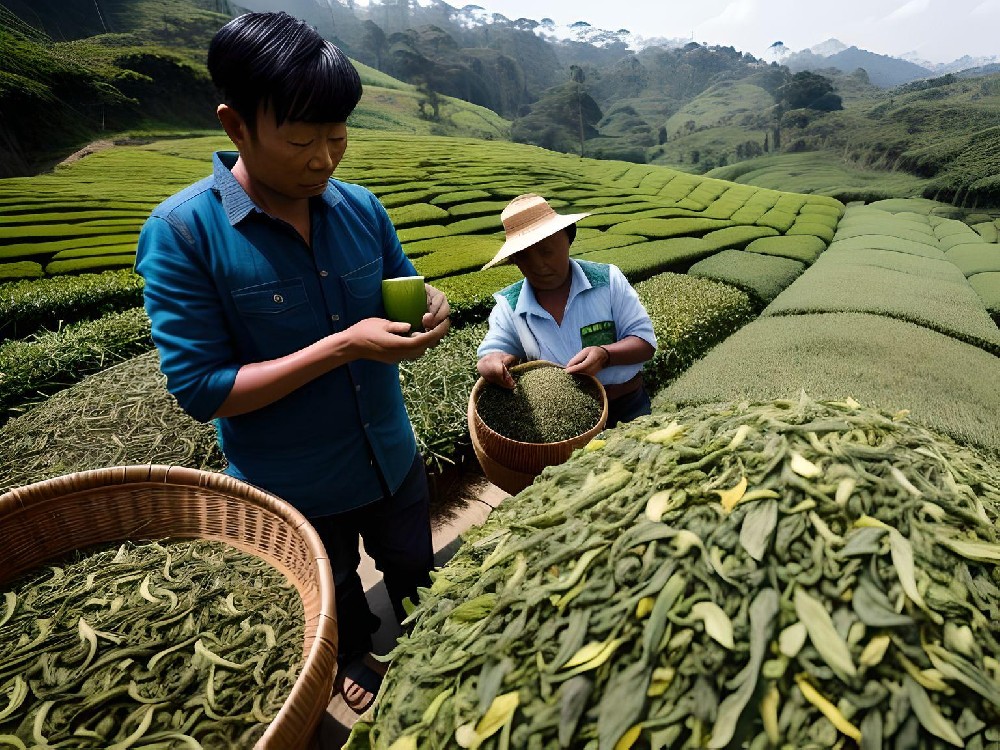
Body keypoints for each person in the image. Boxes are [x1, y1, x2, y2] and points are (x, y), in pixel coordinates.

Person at [133, 11, 450, 714]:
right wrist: (342, 346)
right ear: (235, 126)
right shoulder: (183, 233)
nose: (323, 160)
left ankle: (426, 635)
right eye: (301, 140)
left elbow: (405, 281)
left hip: (390, 456)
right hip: (294, 488)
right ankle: (355, 653)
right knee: (334, 594)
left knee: (412, 566)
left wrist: (432, 300)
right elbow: (201, 388)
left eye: (337, 138)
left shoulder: (361, 208)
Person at [476, 194, 656, 428]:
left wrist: (605, 355)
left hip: (628, 407)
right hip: (562, 422)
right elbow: (494, 352)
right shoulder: (509, 305)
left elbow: (644, 343)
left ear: (567, 239)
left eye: (546, 251)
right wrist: (491, 362)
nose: (538, 265)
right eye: (523, 257)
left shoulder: (607, 281)